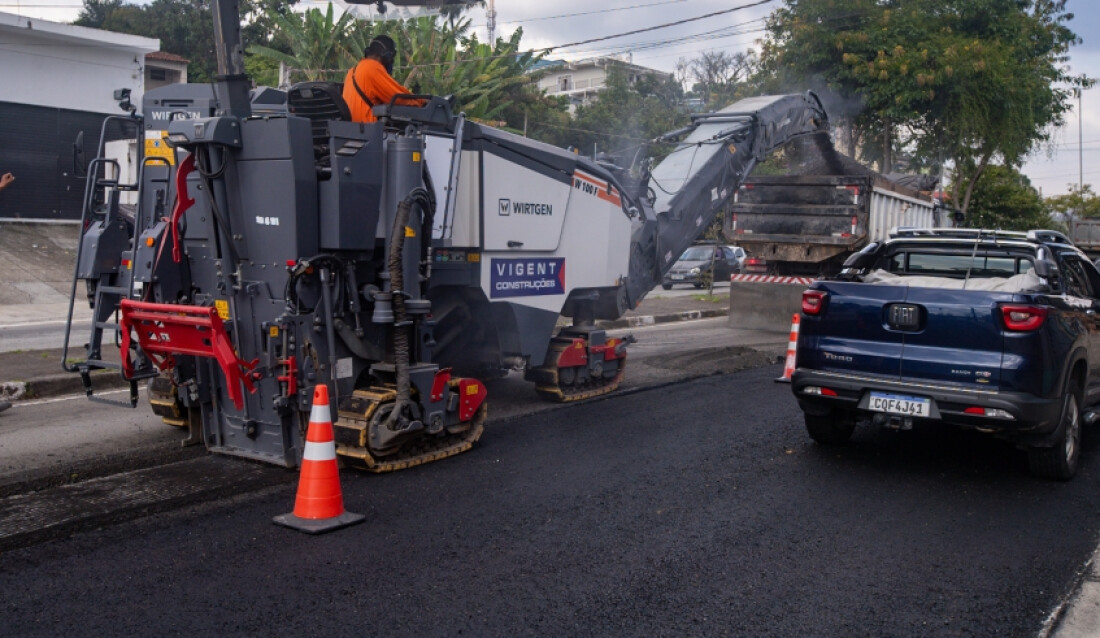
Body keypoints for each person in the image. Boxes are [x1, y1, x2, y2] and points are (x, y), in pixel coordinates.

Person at [342, 35, 424, 123]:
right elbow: (397, 97)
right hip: (366, 129)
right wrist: (421, 102)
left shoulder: (353, 70)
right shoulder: (373, 68)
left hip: (353, 128)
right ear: (387, 56)